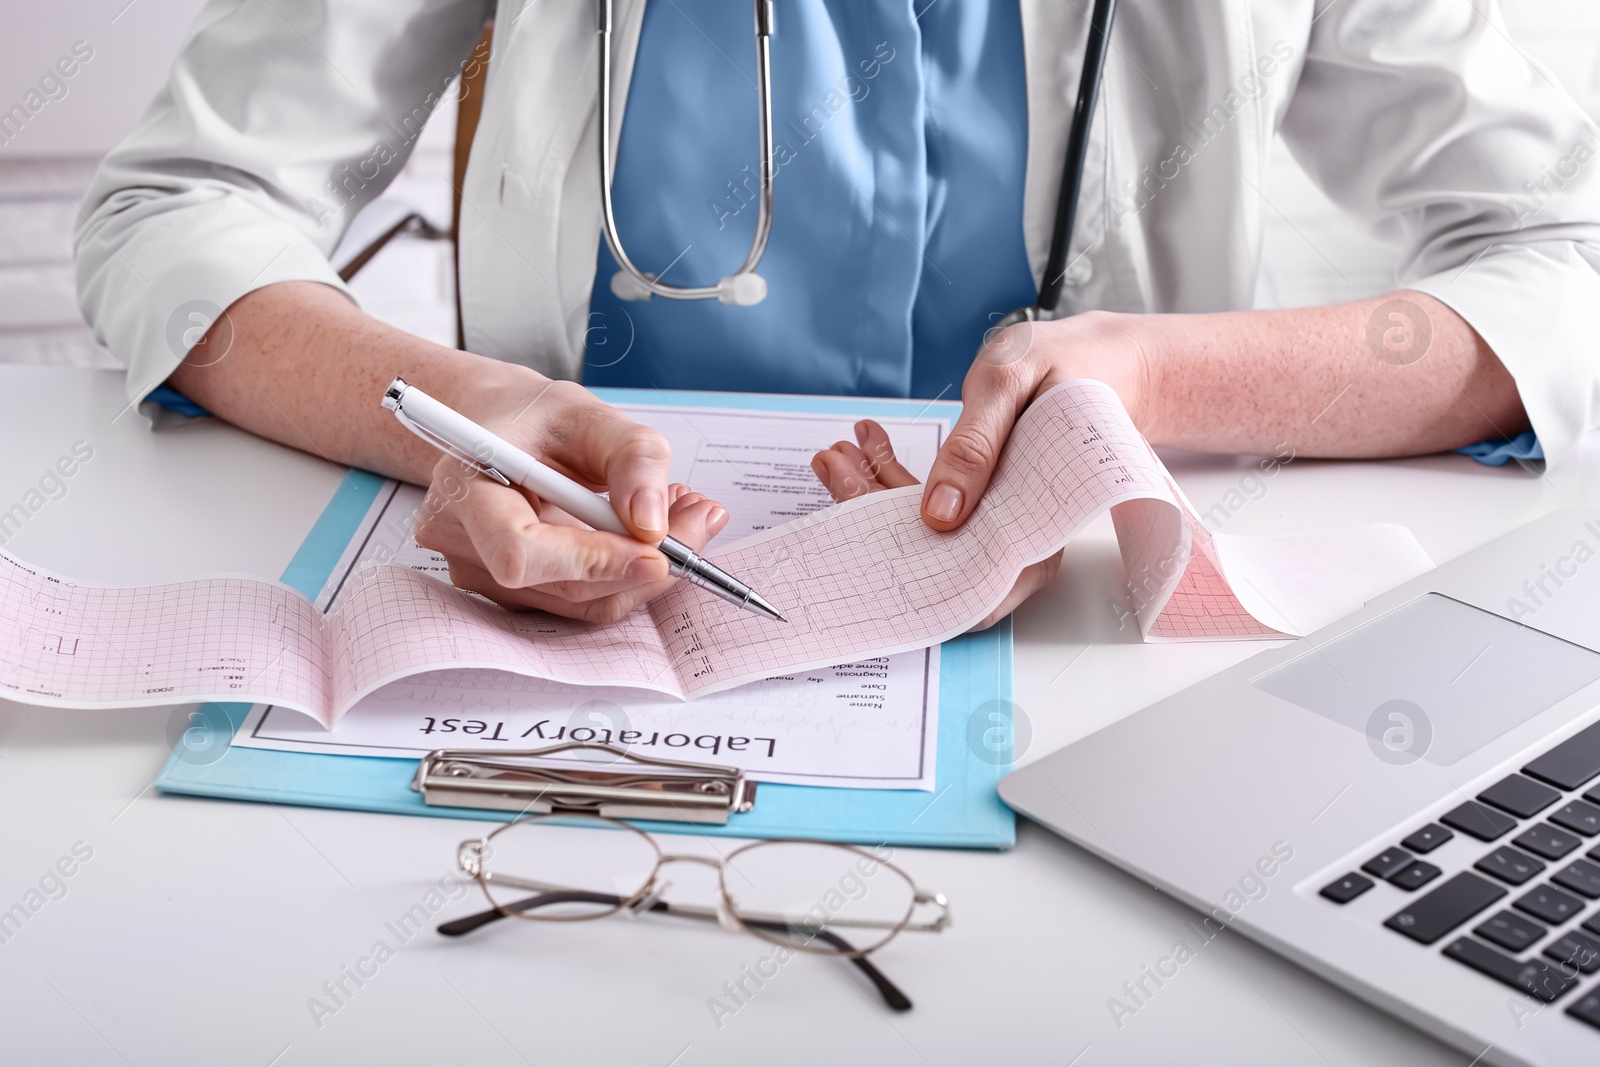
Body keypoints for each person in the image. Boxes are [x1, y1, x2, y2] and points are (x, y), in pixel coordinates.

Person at [75, 0, 1600, 627]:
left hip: (1089, 647)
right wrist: (476, 417)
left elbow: (1570, 253)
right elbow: (178, 207)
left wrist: (1153, 384)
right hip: (589, 629)